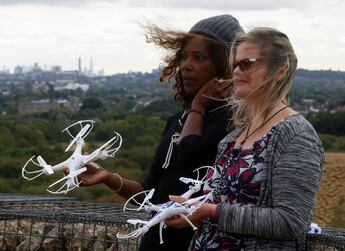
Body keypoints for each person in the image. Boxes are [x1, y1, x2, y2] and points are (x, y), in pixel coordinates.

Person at [73, 15, 244, 250]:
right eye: (183, 56)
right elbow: (153, 195)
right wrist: (108, 178)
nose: (186, 65)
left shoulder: (234, 122)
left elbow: (187, 157)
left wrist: (199, 105)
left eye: (199, 57)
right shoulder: (178, 120)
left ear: (224, 64)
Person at [165, 27, 325, 250]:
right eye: (235, 65)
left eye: (247, 63)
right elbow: (225, 201)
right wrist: (192, 207)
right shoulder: (235, 135)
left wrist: (211, 212)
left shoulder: (296, 135)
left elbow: (291, 221)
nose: (237, 71)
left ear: (280, 70)